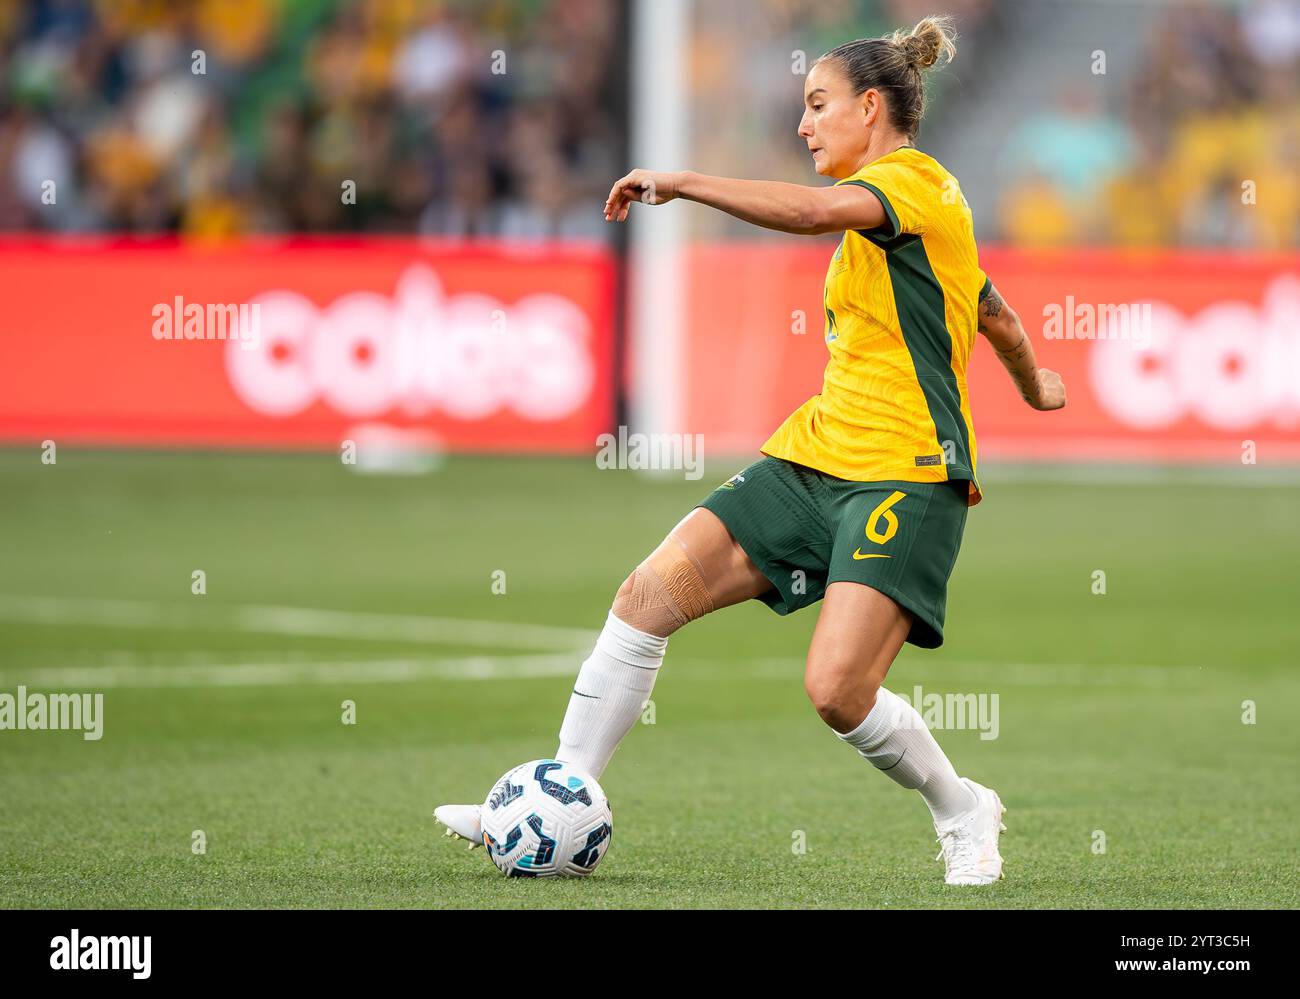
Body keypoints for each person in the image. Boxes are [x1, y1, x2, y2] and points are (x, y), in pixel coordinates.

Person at [436, 14, 1065, 886]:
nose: (803, 124)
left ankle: (961, 807)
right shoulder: (901, 221)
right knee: (646, 595)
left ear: (871, 107)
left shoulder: (914, 183)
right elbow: (990, 307)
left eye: (818, 105)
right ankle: (552, 795)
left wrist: (684, 182)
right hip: (815, 456)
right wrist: (1036, 381)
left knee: (837, 691)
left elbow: (808, 212)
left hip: (906, 471)